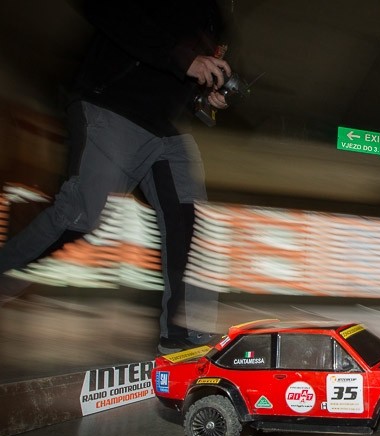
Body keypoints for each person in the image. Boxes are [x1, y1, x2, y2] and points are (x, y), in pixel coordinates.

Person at [0, 0, 232, 354]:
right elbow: (105, 9)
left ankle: (182, 332)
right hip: (114, 106)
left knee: (185, 219)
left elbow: (183, 75)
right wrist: (185, 59)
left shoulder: (217, 16)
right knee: (79, 214)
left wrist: (205, 96)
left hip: (166, 129)